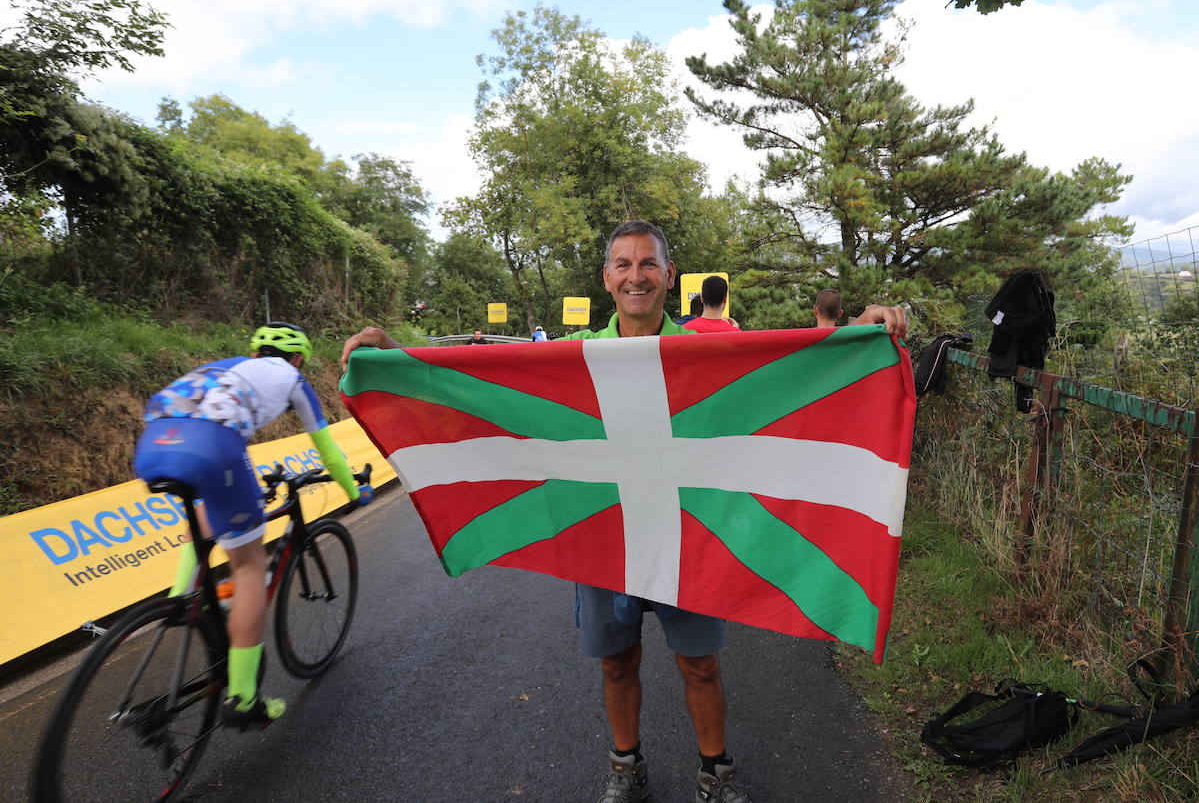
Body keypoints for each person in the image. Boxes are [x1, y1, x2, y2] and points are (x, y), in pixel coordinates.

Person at [341, 221, 906, 803]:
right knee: (616, 664)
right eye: (624, 264)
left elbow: (788, 375)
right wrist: (396, 358)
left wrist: (859, 336)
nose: (637, 276)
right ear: (607, 278)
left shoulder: (705, 354)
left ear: (669, 275)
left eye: (648, 264)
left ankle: (715, 775)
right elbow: (480, 388)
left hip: (690, 540)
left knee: (702, 666)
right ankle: (625, 769)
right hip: (606, 540)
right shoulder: (575, 359)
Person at [133, 323, 371, 730]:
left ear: (256, 352)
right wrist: (354, 491)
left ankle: (183, 600)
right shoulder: (294, 378)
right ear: (298, 358)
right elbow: (329, 453)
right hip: (214, 445)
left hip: (156, 441)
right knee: (248, 567)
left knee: (206, 515)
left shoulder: (226, 366)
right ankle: (244, 699)